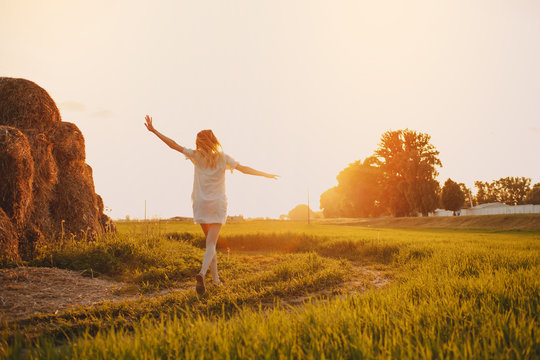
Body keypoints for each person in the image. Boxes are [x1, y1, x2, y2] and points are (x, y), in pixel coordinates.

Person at [144, 115, 278, 296]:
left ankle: (215, 280)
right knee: (211, 244)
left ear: (199, 142)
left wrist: (154, 131)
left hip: (200, 203)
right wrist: (266, 175)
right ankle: (202, 273)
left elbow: (173, 144)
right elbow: (244, 169)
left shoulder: (195, 155)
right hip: (217, 204)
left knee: (210, 243)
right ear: (214, 141)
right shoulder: (223, 158)